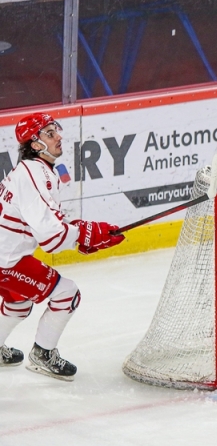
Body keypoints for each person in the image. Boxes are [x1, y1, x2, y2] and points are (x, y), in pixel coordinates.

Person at [0, 113, 125, 380]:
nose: (59, 137)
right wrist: (86, 234)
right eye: (49, 133)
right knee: (67, 293)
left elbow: (48, 224)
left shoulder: (31, 170)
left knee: (18, 302)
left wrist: (83, 235)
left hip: (6, 255)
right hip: (7, 260)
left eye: (56, 130)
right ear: (35, 144)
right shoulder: (34, 174)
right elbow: (51, 237)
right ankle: (42, 355)